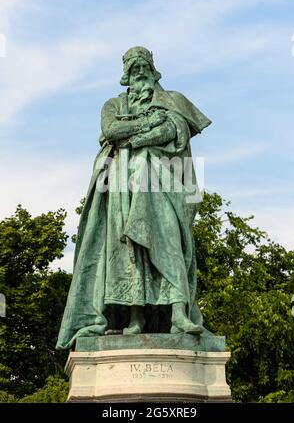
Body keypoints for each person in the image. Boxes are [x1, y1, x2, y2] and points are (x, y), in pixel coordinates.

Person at [56, 46, 211, 349]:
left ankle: (179, 313)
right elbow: (111, 130)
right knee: (128, 251)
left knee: (169, 239)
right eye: (134, 66)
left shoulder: (172, 101)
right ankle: (135, 318)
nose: (140, 71)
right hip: (120, 188)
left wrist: (139, 136)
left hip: (164, 185)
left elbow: (173, 130)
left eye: (144, 66)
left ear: (154, 70)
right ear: (126, 74)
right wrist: (148, 125)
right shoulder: (113, 104)